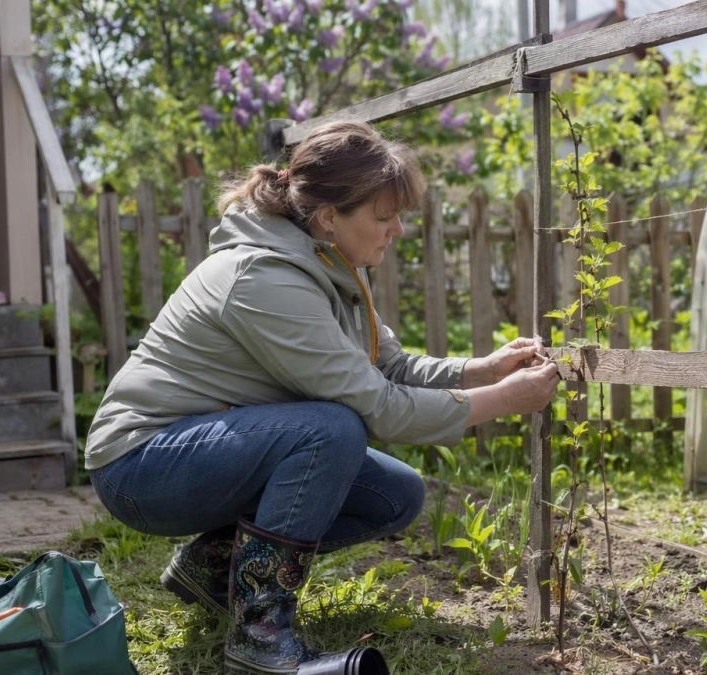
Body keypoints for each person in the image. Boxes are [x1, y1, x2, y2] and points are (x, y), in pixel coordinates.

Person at [83, 120, 559, 674]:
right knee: (331, 429)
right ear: (330, 215)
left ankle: (213, 569)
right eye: (383, 217)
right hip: (141, 465)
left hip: (208, 446)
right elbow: (376, 404)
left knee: (394, 493)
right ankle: (259, 635)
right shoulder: (265, 277)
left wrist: (481, 370)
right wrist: (504, 400)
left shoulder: (325, 262)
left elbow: (392, 365)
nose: (397, 230)